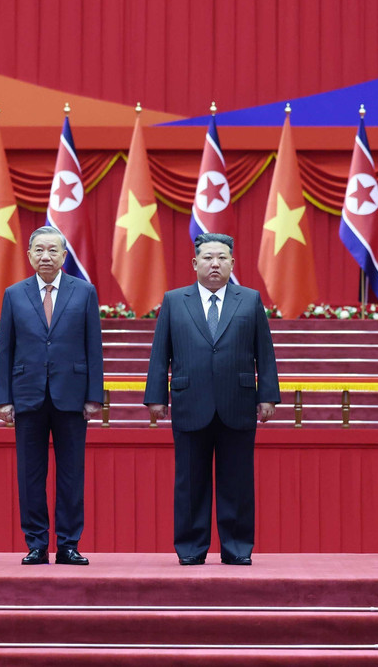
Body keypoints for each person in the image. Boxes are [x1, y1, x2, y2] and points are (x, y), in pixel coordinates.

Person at [144, 233, 280, 566]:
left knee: (237, 481)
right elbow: (160, 353)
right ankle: (191, 548)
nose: (214, 263)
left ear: (232, 263)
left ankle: (237, 548)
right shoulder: (175, 300)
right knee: (190, 482)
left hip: (238, 401)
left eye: (221, 257)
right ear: (195, 263)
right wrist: (156, 397)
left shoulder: (249, 300)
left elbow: (265, 353)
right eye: (207, 257)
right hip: (190, 400)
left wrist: (268, 397)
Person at [0, 225, 104, 565]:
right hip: (27, 395)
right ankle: (37, 543)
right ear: (29, 255)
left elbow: (93, 347)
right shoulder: (14, 294)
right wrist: (4, 398)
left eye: (53, 250)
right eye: (39, 250)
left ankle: (69, 543)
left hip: (71, 397)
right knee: (30, 474)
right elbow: (5, 349)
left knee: (71, 473)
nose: (46, 256)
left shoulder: (84, 292)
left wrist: (94, 396)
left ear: (64, 256)